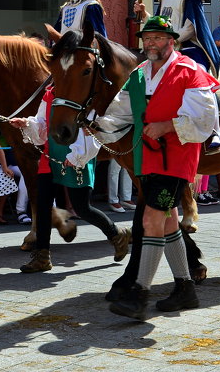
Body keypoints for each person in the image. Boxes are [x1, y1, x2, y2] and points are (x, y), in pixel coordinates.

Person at [91, 16, 219, 319]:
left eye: (158, 38)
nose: (151, 43)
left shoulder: (190, 72)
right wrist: (97, 127)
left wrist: (167, 125)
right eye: (147, 38)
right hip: (146, 160)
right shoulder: (138, 75)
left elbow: (205, 119)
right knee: (169, 221)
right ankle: (185, 289)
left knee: (150, 219)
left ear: (170, 41)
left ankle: (139, 292)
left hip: (176, 160)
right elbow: (120, 114)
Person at [10, 86, 130, 272]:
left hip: (76, 156)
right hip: (50, 158)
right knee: (43, 207)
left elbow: (93, 132)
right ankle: (42, 257)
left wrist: (76, 156)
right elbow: (42, 123)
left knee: (82, 208)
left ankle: (116, 234)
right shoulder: (50, 93)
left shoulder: (84, 93)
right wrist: (27, 124)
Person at [134, 0, 220, 152]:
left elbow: (190, 27)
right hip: (168, 49)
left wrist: (170, 41)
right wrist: (145, 14)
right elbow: (159, 24)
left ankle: (215, 131)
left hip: (189, 48)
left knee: (201, 79)